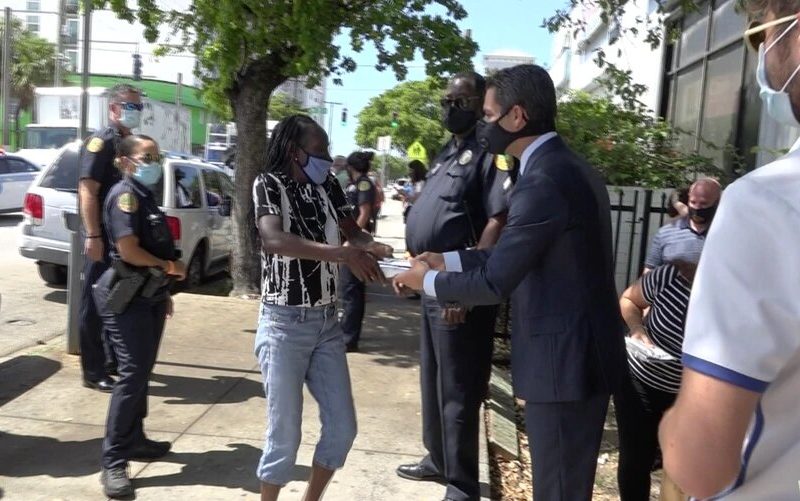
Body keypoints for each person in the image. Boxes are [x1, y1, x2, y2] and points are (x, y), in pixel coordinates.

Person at [394, 64, 627, 501]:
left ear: (516, 117)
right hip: (572, 360)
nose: (483, 125)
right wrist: (443, 258)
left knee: (557, 492)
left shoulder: (545, 179)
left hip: (565, 365)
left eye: (487, 114)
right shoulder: (558, 167)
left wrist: (427, 282)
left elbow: (497, 280)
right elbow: (509, 253)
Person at [658, 6, 800, 500]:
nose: (763, 60)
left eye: (763, 34)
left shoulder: (770, 203)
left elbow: (700, 463)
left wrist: (671, 428)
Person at [252, 115, 392, 501]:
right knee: (284, 434)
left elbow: (354, 232)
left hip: (327, 324)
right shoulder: (269, 184)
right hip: (284, 325)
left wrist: (372, 246)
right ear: (296, 152)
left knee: (342, 428)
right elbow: (274, 240)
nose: (328, 159)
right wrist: (343, 255)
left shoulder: (327, 184)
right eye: (319, 151)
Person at [395, 71, 509, 501]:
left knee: (458, 390)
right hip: (430, 282)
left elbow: (497, 219)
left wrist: (464, 286)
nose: (450, 107)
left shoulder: (490, 151)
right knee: (434, 381)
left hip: (457, 287)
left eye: (460, 101)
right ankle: (438, 459)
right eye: (447, 99)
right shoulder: (449, 150)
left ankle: (462, 484)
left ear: (481, 103)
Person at [92, 135, 187, 498]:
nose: (154, 162)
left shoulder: (145, 196)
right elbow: (129, 250)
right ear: (125, 161)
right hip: (125, 296)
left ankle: (135, 439)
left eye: (157, 156)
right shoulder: (125, 196)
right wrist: (168, 266)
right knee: (131, 374)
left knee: (142, 370)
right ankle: (113, 461)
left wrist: (162, 292)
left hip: (147, 295)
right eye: (147, 156)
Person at [615, 239, 704, 501]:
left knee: (680, 467)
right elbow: (629, 299)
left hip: (687, 394)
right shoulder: (671, 275)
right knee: (636, 459)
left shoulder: (729, 298)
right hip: (640, 379)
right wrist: (637, 329)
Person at [79, 83, 143, 392]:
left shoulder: (129, 143)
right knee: (93, 304)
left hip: (122, 239)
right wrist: (93, 234)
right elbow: (87, 191)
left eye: (139, 106)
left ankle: (110, 359)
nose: (135, 111)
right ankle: (93, 370)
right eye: (130, 105)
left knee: (116, 302)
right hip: (103, 237)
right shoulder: (101, 142)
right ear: (113, 108)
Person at [339, 151, 380, 352]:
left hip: (357, 243)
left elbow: (364, 213)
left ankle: (349, 339)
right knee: (349, 290)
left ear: (350, 166)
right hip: (351, 240)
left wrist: (351, 241)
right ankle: (347, 332)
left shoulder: (364, 183)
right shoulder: (353, 184)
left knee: (352, 290)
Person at [643, 178, 721, 273]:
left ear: (717, 202)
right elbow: (648, 274)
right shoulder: (666, 233)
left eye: (703, 203)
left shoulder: (727, 235)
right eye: (693, 202)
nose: (697, 207)